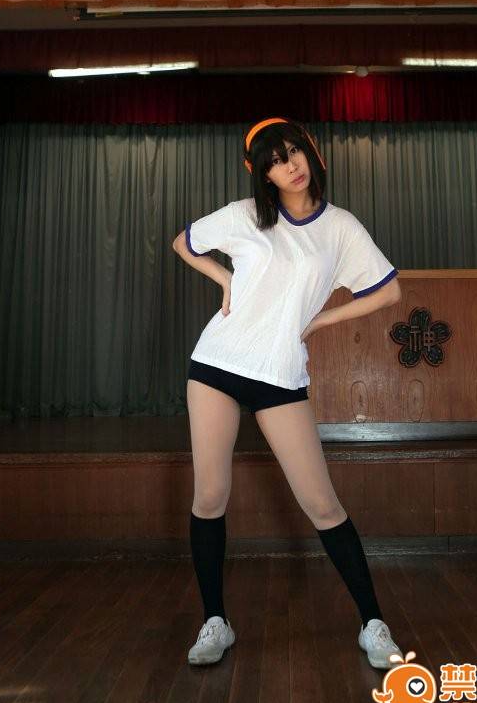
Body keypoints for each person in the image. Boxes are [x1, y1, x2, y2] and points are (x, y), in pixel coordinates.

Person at [173, 116, 403, 669]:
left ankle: (373, 624)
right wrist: (224, 279)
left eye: (294, 151)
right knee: (210, 497)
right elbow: (184, 242)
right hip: (218, 365)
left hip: (280, 375)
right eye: (275, 161)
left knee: (322, 504)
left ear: (311, 152)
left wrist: (321, 321)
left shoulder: (341, 228)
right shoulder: (245, 215)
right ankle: (215, 621)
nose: (289, 165)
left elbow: (389, 291)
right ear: (263, 173)